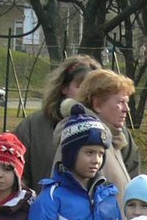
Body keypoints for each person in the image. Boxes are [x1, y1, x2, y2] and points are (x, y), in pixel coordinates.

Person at [50, 69, 140, 204]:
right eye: (121, 102)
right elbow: (69, 196)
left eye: (127, 102)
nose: (126, 109)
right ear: (97, 104)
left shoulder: (112, 138)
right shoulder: (81, 138)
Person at [15, 54, 99, 188]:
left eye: (92, 89)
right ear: (64, 87)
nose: (87, 94)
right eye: (80, 87)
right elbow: (16, 174)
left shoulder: (110, 130)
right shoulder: (33, 126)